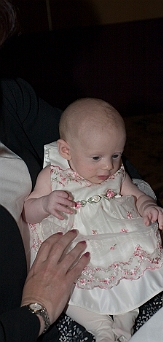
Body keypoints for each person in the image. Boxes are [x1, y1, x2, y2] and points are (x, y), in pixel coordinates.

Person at [23, 98, 163, 342]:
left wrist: (149, 206)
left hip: (117, 240)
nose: (108, 166)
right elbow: (28, 211)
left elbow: (137, 195)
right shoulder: (53, 175)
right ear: (66, 151)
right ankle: (101, 328)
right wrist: (44, 204)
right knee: (68, 291)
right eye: (96, 158)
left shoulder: (117, 172)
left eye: (116, 154)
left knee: (133, 278)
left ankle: (125, 323)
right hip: (76, 246)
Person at [0, 1, 91, 341]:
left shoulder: (9, 95)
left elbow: (90, 138)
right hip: (27, 321)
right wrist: (37, 310)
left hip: (80, 260)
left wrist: (140, 200)